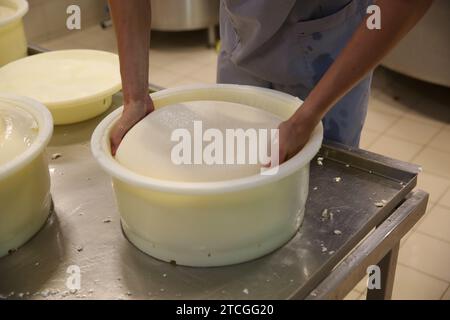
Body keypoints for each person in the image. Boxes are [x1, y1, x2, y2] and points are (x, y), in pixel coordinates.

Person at [108, 0, 432, 163]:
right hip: (243, 34)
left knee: (317, 202)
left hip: (329, 49)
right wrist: (135, 97)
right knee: (232, 171)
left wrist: (306, 118)